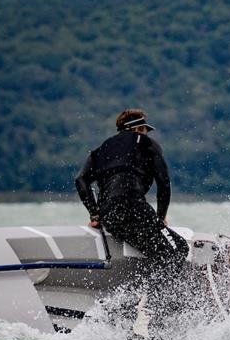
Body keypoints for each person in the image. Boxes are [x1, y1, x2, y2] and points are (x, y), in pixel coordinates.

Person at [75, 109, 188, 272]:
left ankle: (141, 292)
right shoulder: (147, 143)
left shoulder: (102, 149)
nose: (147, 135)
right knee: (179, 249)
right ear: (137, 129)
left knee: (155, 251)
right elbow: (163, 182)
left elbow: (80, 180)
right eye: (145, 130)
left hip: (109, 217)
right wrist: (160, 217)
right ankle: (157, 296)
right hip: (134, 210)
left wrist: (94, 214)